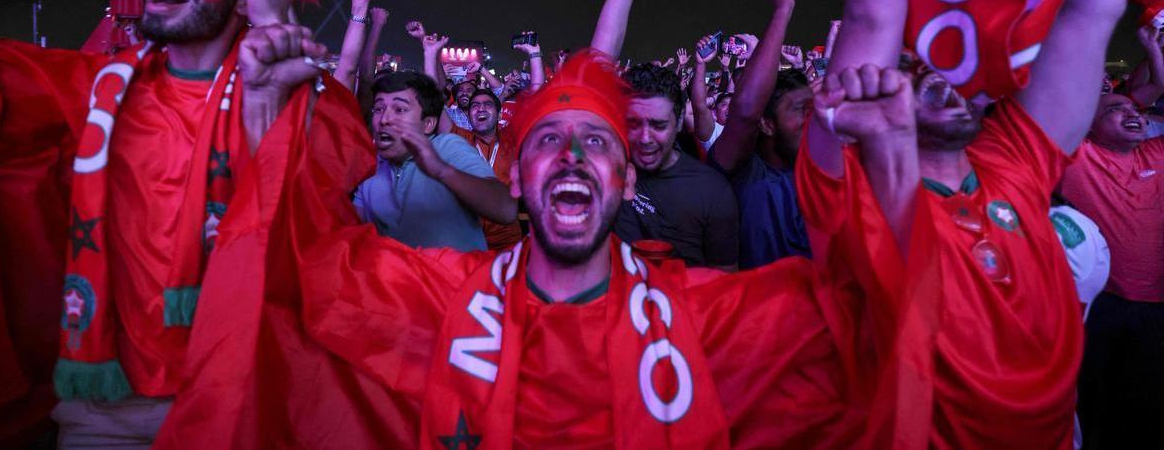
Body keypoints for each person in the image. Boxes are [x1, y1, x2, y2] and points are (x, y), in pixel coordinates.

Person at [263, 49, 929, 446]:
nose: (574, 154)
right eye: (549, 139)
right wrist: (263, 111)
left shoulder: (702, 315)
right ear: (519, 179)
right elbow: (291, 264)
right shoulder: (434, 297)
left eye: (598, 141)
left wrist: (892, 161)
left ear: (627, 178)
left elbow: (869, 319)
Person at [802, 0, 1141, 442]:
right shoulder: (853, 188)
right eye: (914, 61)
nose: (938, 75)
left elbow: (1093, 7)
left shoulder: (1014, 156)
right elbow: (873, 8)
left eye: (952, 61)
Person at [0, 0, 361, 447]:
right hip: (104, 412)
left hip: (248, 399)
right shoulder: (91, 89)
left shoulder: (302, 90)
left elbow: (308, 229)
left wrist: (270, 63)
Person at [1061, 89, 1164, 448]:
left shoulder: (1156, 153)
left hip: (1156, 304)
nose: (1131, 113)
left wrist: (1154, 51)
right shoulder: (1077, 158)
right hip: (1100, 305)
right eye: (1115, 109)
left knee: (1149, 401)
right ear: (1087, 125)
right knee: (1096, 399)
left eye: (1134, 108)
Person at [707, 0, 813, 269]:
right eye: (800, 110)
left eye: (815, 110)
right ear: (767, 124)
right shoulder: (746, 172)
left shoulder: (826, 173)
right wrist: (782, 11)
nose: (814, 120)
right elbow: (745, 111)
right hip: (756, 312)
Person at [355, 70, 517, 251]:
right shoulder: (370, 166)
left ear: (428, 124)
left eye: (399, 109)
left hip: (462, 276)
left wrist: (441, 171)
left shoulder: (447, 147)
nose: (384, 119)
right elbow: (353, 235)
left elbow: (506, 209)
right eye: (378, 108)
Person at [614, 63, 739, 269]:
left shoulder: (711, 190)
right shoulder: (608, 172)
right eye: (633, 124)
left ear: (679, 122)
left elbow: (724, 282)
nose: (645, 138)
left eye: (659, 125)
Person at [452, 87, 523, 249]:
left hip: (507, 239)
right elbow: (435, 104)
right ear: (468, 116)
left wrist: (534, 59)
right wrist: (430, 59)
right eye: (475, 106)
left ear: (499, 114)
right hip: (467, 238)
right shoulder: (460, 139)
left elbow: (537, 95)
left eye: (487, 104)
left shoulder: (511, 139)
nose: (481, 108)